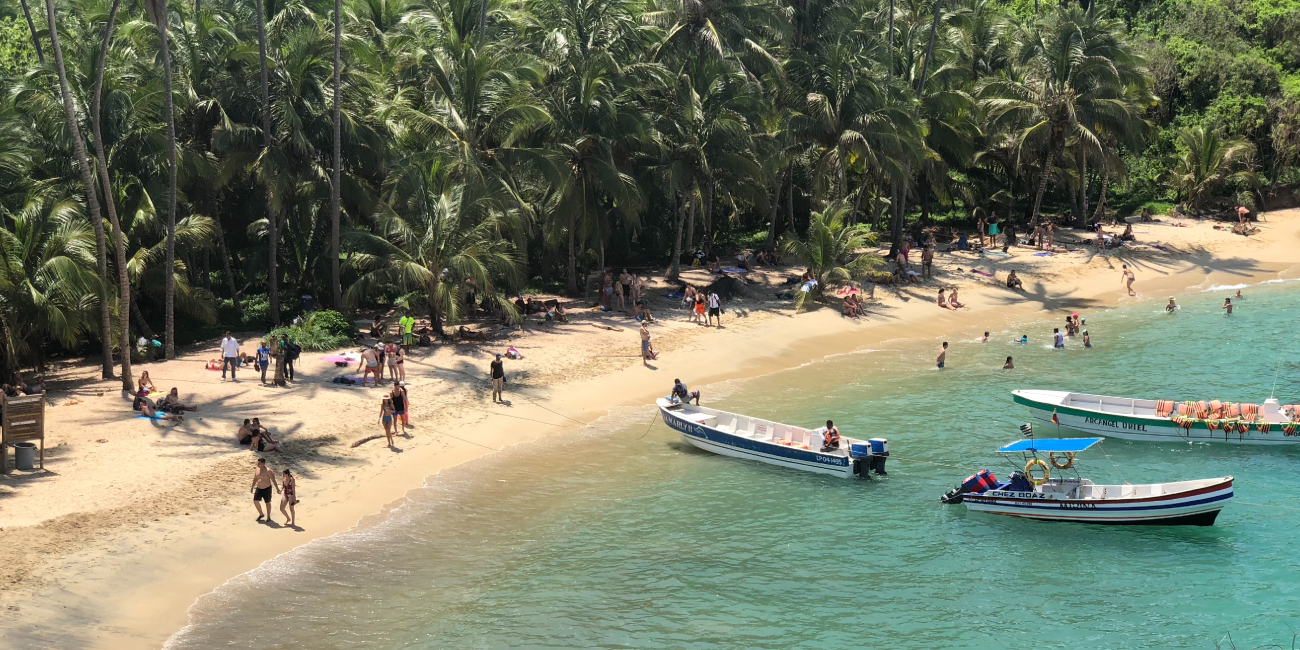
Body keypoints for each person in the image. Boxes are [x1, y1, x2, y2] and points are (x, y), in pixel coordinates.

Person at [251, 458, 280, 523]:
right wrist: (252, 487)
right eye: (258, 463)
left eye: (259, 463)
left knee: (267, 502)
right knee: (255, 501)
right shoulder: (257, 469)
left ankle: (268, 517)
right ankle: (261, 514)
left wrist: (277, 489)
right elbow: (255, 479)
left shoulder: (268, 471)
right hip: (259, 488)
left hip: (267, 489)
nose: (258, 464)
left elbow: (273, 480)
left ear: (263, 464)